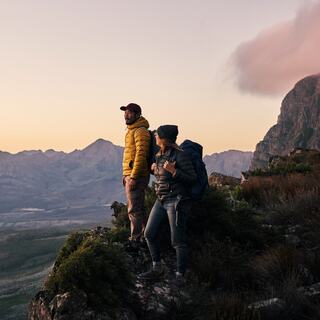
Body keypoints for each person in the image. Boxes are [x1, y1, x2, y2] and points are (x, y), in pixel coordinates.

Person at [141, 125, 197, 281]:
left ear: (164, 138)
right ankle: (157, 268)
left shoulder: (180, 156)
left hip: (176, 201)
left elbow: (192, 178)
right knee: (149, 233)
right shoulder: (159, 155)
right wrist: (153, 169)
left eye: (158, 135)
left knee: (177, 241)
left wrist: (174, 171)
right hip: (161, 200)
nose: (155, 137)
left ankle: (181, 275)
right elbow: (161, 177)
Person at [121, 103, 151, 242]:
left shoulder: (140, 131)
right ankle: (146, 235)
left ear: (137, 114)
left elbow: (141, 155)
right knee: (138, 207)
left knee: (133, 209)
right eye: (125, 112)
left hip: (137, 176)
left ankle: (136, 239)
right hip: (131, 174)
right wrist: (125, 174)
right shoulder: (131, 131)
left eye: (129, 112)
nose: (126, 115)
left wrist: (133, 176)